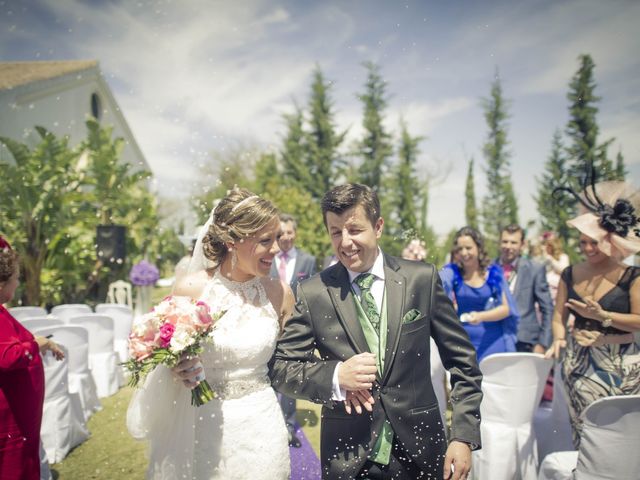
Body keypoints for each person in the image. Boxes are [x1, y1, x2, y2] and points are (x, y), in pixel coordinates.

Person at [270, 184, 482, 480]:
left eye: (355, 230)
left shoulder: (421, 280)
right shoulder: (313, 292)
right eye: (335, 232)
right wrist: (335, 377)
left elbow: (463, 363)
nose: (345, 242)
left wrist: (463, 436)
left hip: (422, 450)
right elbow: (281, 368)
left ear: (378, 227)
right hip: (348, 456)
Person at [127, 188, 292, 479]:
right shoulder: (191, 289)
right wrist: (176, 369)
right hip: (205, 421)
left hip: (262, 423)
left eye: (277, 238)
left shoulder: (279, 293)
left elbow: (292, 363)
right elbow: (168, 354)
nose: (277, 249)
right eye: (265, 240)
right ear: (232, 241)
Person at [545, 180, 640, 448]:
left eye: (594, 243)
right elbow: (557, 318)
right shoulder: (570, 274)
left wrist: (604, 317)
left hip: (623, 366)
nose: (587, 249)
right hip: (579, 364)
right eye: (583, 242)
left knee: (621, 439)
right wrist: (559, 339)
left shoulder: (631, 275)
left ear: (610, 240)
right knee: (585, 434)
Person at [0, 235, 64, 480]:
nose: (17, 285)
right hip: (11, 424)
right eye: (15, 279)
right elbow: (7, 357)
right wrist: (36, 344)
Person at [269, 213, 317, 448]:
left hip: (295, 328)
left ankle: (288, 428)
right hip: (267, 325)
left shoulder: (307, 260)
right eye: (280, 233)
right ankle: (268, 426)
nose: (285, 237)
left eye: (289, 232)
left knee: (290, 376)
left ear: (295, 233)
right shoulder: (265, 258)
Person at [440, 226, 519, 362]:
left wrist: (481, 316)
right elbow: (440, 285)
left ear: (478, 247)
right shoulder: (453, 273)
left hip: (492, 342)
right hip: (463, 342)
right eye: (460, 249)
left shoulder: (494, 272)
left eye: (468, 248)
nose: (464, 253)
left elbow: (506, 309)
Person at [497, 224, 554, 354]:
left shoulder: (535, 269)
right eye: (505, 241)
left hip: (525, 341)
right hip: (495, 339)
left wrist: (543, 343)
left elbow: (547, 309)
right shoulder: (488, 269)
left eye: (513, 242)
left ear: (522, 245)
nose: (508, 246)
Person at [540, 232, 570, 301]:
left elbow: (563, 270)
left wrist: (551, 259)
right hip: (546, 290)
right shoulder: (544, 259)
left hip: (558, 290)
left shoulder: (563, 257)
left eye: (548, 245)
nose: (546, 247)